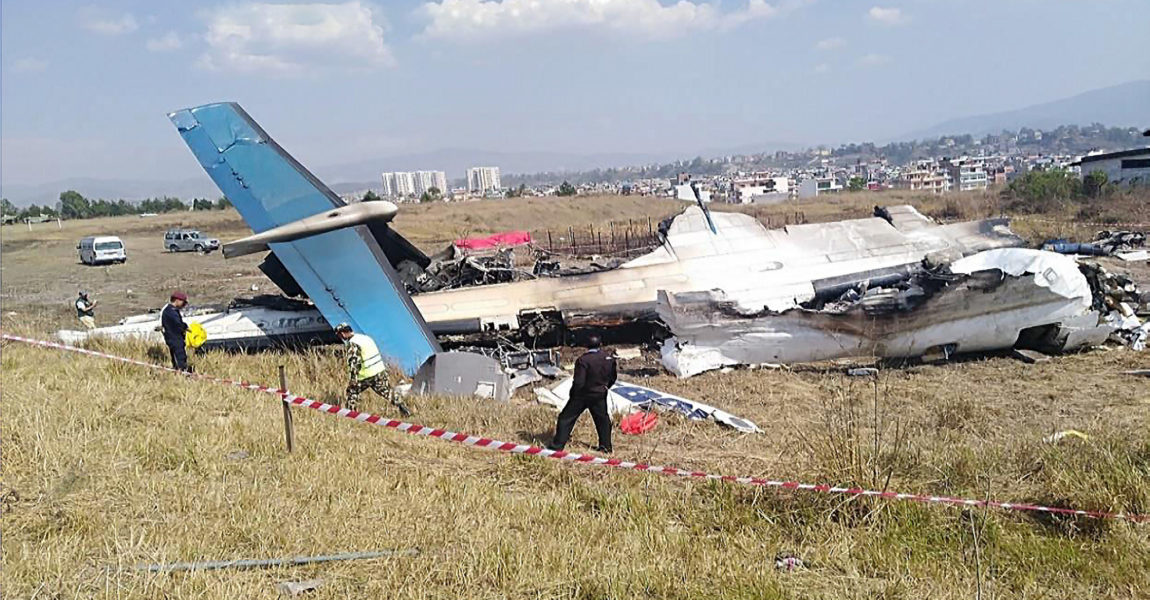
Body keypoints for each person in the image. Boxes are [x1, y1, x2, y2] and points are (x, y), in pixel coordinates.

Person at [549, 334, 616, 453]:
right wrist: (605, 387)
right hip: (600, 393)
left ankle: (557, 446)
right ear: (600, 345)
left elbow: (579, 381)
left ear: (586, 346)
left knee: (566, 418)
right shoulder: (608, 358)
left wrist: (573, 394)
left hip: (583, 395)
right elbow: (613, 377)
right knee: (603, 420)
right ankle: (606, 447)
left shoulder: (583, 360)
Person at [336, 322, 410, 416]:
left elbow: (354, 363)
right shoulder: (365, 338)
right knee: (388, 392)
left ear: (342, 334)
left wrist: (353, 379)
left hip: (367, 375)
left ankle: (352, 415)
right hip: (379, 371)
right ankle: (404, 409)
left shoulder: (353, 343)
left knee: (352, 392)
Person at [161, 291, 192, 372]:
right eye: (183, 302)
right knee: (180, 357)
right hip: (174, 338)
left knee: (178, 356)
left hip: (174, 338)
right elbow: (178, 323)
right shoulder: (170, 311)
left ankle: (179, 371)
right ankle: (182, 372)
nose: (183, 305)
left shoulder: (170, 310)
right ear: (177, 300)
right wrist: (185, 327)